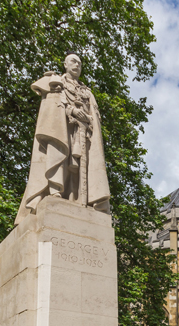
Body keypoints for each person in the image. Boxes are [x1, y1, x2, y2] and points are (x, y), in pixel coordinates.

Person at [15, 53, 111, 224]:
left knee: (78, 171)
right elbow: (53, 106)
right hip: (61, 130)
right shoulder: (56, 82)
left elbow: (93, 116)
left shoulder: (86, 91)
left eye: (80, 63)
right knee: (59, 156)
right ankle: (55, 191)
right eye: (73, 61)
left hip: (82, 134)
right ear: (65, 64)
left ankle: (77, 199)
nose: (77, 65)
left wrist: (87, 118)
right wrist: (72, 111)